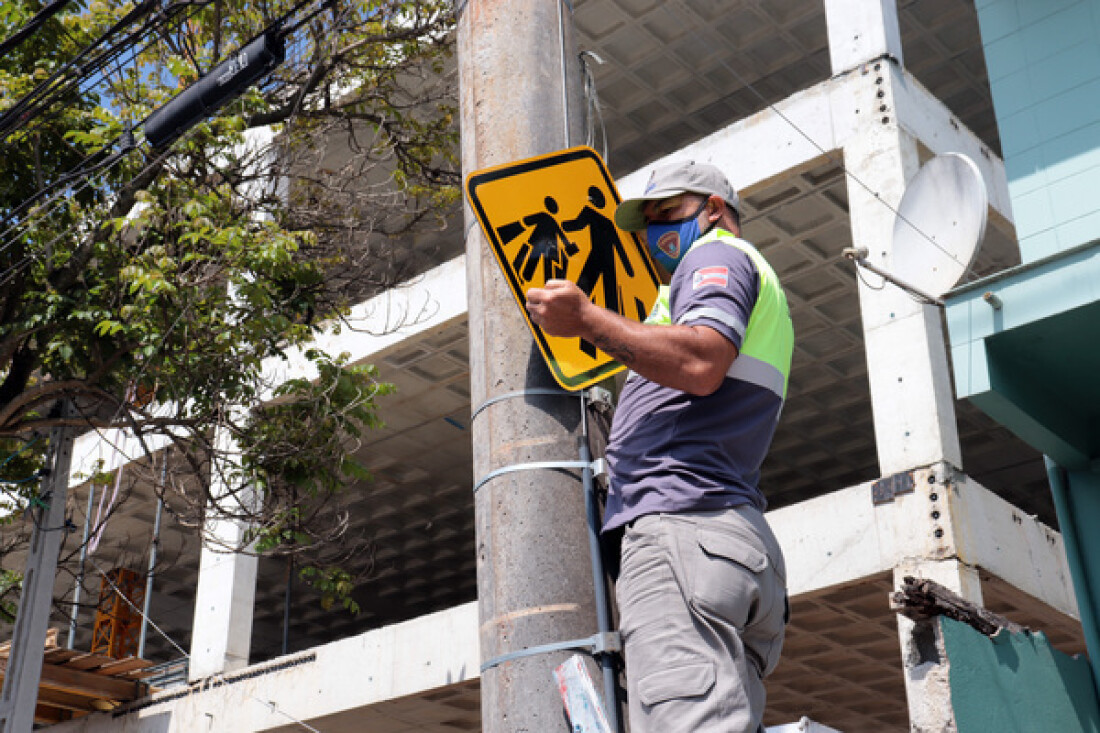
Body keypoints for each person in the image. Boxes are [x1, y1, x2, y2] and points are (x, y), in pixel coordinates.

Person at [526, 160, 793, 733]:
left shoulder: (716, 256)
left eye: (668, 214)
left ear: (714, 210)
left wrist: (587, 319)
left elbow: (700, 361)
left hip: (684, 531)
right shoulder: (700, 289)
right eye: (646, 222)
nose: (653, 234)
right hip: (720, 539)